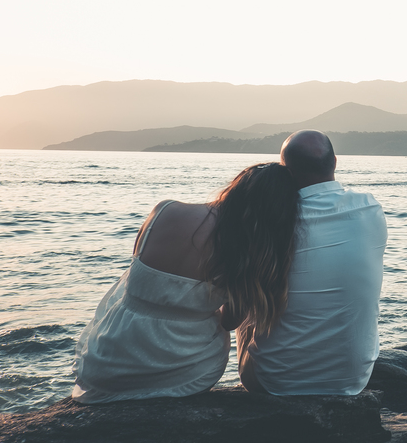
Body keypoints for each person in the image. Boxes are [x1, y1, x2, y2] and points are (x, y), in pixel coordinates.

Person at [72, 162, 298, 403]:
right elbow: (230, 322)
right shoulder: (246, 253)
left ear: (236, 187)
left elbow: (137, 264)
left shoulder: (164, 209)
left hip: (107, 361)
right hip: (184, 369)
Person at [237, 130, 387, 395]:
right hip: (352, 380)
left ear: (286, 173)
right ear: (335, 162)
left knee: (249, 302)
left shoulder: (274, 223)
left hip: (273, 382)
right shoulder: (370, 208)